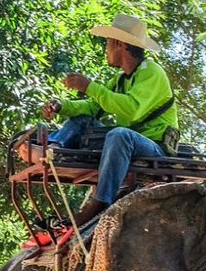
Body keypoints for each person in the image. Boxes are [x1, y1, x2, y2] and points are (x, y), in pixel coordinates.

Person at [34, 14, 178, 238]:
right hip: (127, 145)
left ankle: (100, 200)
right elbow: (93, 107)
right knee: (85, 120)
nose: (106, 50)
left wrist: (90, 86)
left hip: (154, 147)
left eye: (108, 44)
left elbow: (132, 109)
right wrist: (62, 106)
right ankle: (52, 147)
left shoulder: (152, 72)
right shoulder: (120, 80)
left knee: (120, 134)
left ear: (119, 44)